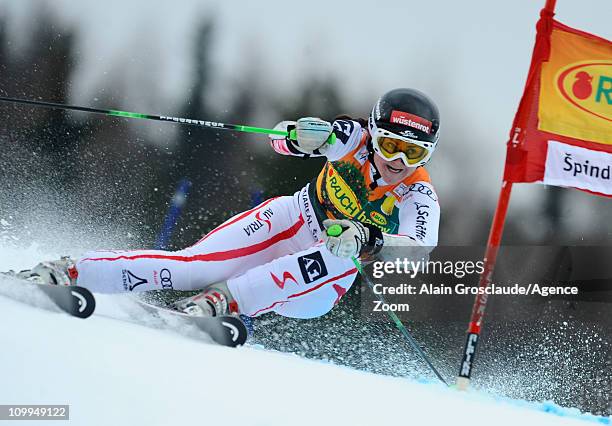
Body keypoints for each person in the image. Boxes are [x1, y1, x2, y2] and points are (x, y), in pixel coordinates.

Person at [17, 88, 441, 319]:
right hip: (290, 218)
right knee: (193, 267)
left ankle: (225, 302)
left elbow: (420, 250)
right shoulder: (351, 137)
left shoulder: (419, 196)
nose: (397, 162)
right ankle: (68, 271)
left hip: (321, 281)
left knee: (341, 255)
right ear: (373, 132)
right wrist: (296, 134)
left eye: (414, 154)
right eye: (389, 144)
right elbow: (281, 139)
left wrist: (370, 237)